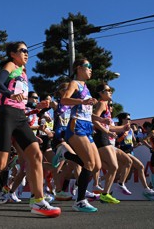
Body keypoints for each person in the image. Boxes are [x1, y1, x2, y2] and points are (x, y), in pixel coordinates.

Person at [0, 41, 61, 217]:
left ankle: (38, 201)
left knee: (36, 155)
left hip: (20, 117)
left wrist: (36, 106)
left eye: (27, 50)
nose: (26, 54)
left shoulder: (23, 73)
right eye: (23, 50)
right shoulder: (11, 65)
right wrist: (9, 94)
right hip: (6, 116)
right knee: (0, 164)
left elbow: (20, 101)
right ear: (12, 54)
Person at [54, 58, 105, 212]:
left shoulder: (86, 87)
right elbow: (64, 100)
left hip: (87, 127)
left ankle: (66, 154)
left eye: (91, 66)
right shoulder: (74, 83)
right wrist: (82, 101)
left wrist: (100, 119)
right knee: (88, 163)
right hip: (76, 126)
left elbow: (86, 110)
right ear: (78, 68)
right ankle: (80, 200)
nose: (91, 69)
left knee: (97, 166)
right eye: (88, 66)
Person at [92, 85, 131, 204]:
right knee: (113, 166)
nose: (110, 92)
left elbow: (109, 126)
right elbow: (94, 120)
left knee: (121, 163)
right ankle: (103, 192)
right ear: (101, 93)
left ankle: (105, 191)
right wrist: (107, 131)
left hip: (104, 138)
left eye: (111, 90)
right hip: (100, 138)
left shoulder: (107, 106)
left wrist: (123, 128)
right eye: (108, 90)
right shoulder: (101, 103)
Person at [116, 112, 154, 199]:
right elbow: (116, 141)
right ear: (122, 120)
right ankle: (146, 189)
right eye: (127, 119)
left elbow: (134, 142)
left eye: (130, 118)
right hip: (122, 152)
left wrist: (139, 143)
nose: (129, 120)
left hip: (130, 152)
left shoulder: (131, 130)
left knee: (118, 173)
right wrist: (124, 134)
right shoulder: (118, 129)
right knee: (140, 167)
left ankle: (103, 185)